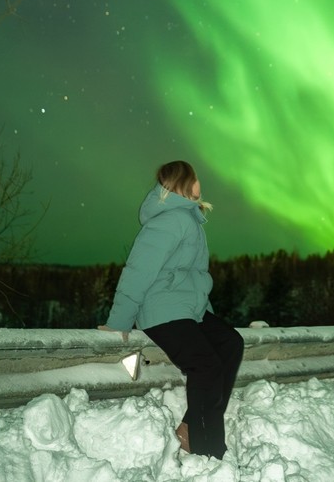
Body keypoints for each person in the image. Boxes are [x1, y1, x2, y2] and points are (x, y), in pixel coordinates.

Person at [98, 160, 244, 459]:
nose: (200, 181)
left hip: (186, 310)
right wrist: (119, 321)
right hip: (162, 311)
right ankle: (207, 449)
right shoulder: (169, 220)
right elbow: (138, 270)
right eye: (196, 176)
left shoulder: (188, 219)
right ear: (185, 182)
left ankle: (192, 425)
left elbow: (194, 279)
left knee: (230, 343)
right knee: (206, 365)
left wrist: (206, 314)